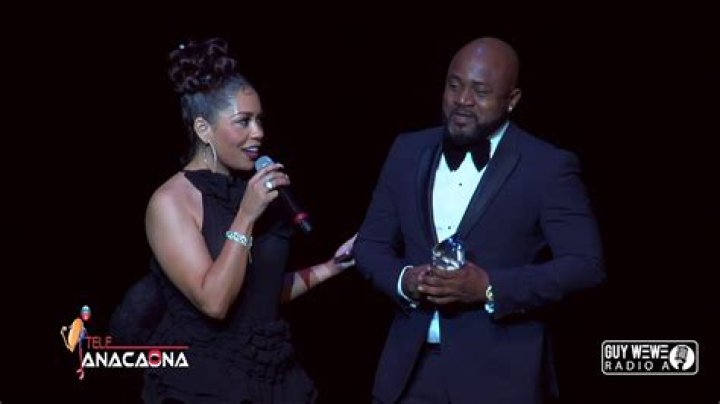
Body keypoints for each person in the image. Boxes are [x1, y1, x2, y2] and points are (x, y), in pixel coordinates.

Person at [354, 37, 605, 404]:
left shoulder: (547, 166)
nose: (463, 100)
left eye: (481, 91)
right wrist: (405, 279)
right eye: (454, 85)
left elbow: (586, 265)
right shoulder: (408, 150)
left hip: (500, 381)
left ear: (512, 100)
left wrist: (489, 287)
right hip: (406, 376)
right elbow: (370, 245)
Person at [110, 37, 356, 403]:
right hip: (207, 381)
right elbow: (216, 302)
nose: (259, 133)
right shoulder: (171, 202)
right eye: (243, 122)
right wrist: (245, 217)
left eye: (259, 121)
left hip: (272, 374)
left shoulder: (251, 193)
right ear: (203, 129)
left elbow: (260, 293)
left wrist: (332, 267)